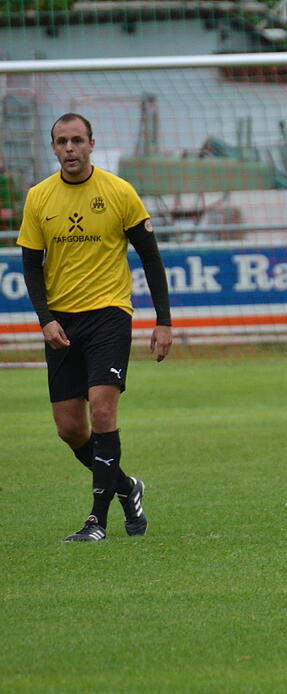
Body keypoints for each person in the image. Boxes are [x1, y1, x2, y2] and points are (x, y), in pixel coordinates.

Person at [17, 113, 173, 542]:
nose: (70, 148)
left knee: (102, 411)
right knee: (70, 428)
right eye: (62, 142)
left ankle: (96, 521)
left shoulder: (118, 192)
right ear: (53, 148)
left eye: (77, 140)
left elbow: (151, 257)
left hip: (109, 314)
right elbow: (31, 267)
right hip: (61, 324)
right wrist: (45, 320)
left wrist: (163, 321)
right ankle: (127, 487)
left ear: (91, 144)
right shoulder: (38, 198)